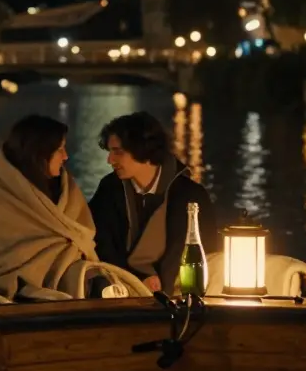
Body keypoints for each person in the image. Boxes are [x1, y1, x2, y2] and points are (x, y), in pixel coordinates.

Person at [0, 114, 148, 302]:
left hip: (69, 273)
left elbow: (81, 235)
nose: (66, 156)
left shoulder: (66, 190)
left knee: (96, 280)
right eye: (60, 149)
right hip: (20, 279)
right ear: (40, 153)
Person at [89, 111, 218, 295]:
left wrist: (161, 285)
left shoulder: (190, 194)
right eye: (110, 152)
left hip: (176, 291)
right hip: (120, 285)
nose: (110, 160)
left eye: (118, 152)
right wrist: (138, 279)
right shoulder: (110, 188)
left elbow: (202, 248)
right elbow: (101, 242)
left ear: (143, 149)